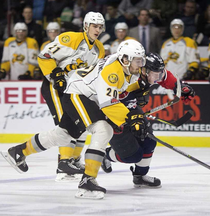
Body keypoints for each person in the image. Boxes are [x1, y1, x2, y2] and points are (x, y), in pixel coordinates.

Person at [1, 39, 148, 200]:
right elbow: (108, 103)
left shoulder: (126, 67)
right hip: (78, 95)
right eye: (137, 60)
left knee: (62, 135)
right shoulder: (113, 72)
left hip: (83, 95)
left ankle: (18, 151)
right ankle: (88, 180)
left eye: (141, 60)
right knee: (103, 129)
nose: (140, 64)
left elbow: (117, 92)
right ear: (125, 59)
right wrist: (130, 117)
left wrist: (135, 96)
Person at [101, 52, 195, 187]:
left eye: (159, 74)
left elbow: (166, 77)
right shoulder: (127, 76)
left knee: (149, 140)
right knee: (132, 156)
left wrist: (180, 87)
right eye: (156, 75)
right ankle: (107, 155)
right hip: (113, 115)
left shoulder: (148, 73)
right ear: (144, 70)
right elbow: (109, 100)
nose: (158, 78)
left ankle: (140, 176)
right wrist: (131, 108)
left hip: (133, 111)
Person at [38, 12, 105, 182]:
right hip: (54, 86)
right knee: (65, 123)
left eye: (99, 27)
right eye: (94, 26)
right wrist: (56, 74)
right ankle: (63, 164)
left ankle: (73, 161)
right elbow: (45, 55)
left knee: (81, 123)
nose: (97, 30)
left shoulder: (100, 49)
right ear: (85, 26)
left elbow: (95, 75)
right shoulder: (71, 39)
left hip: (73, 90)